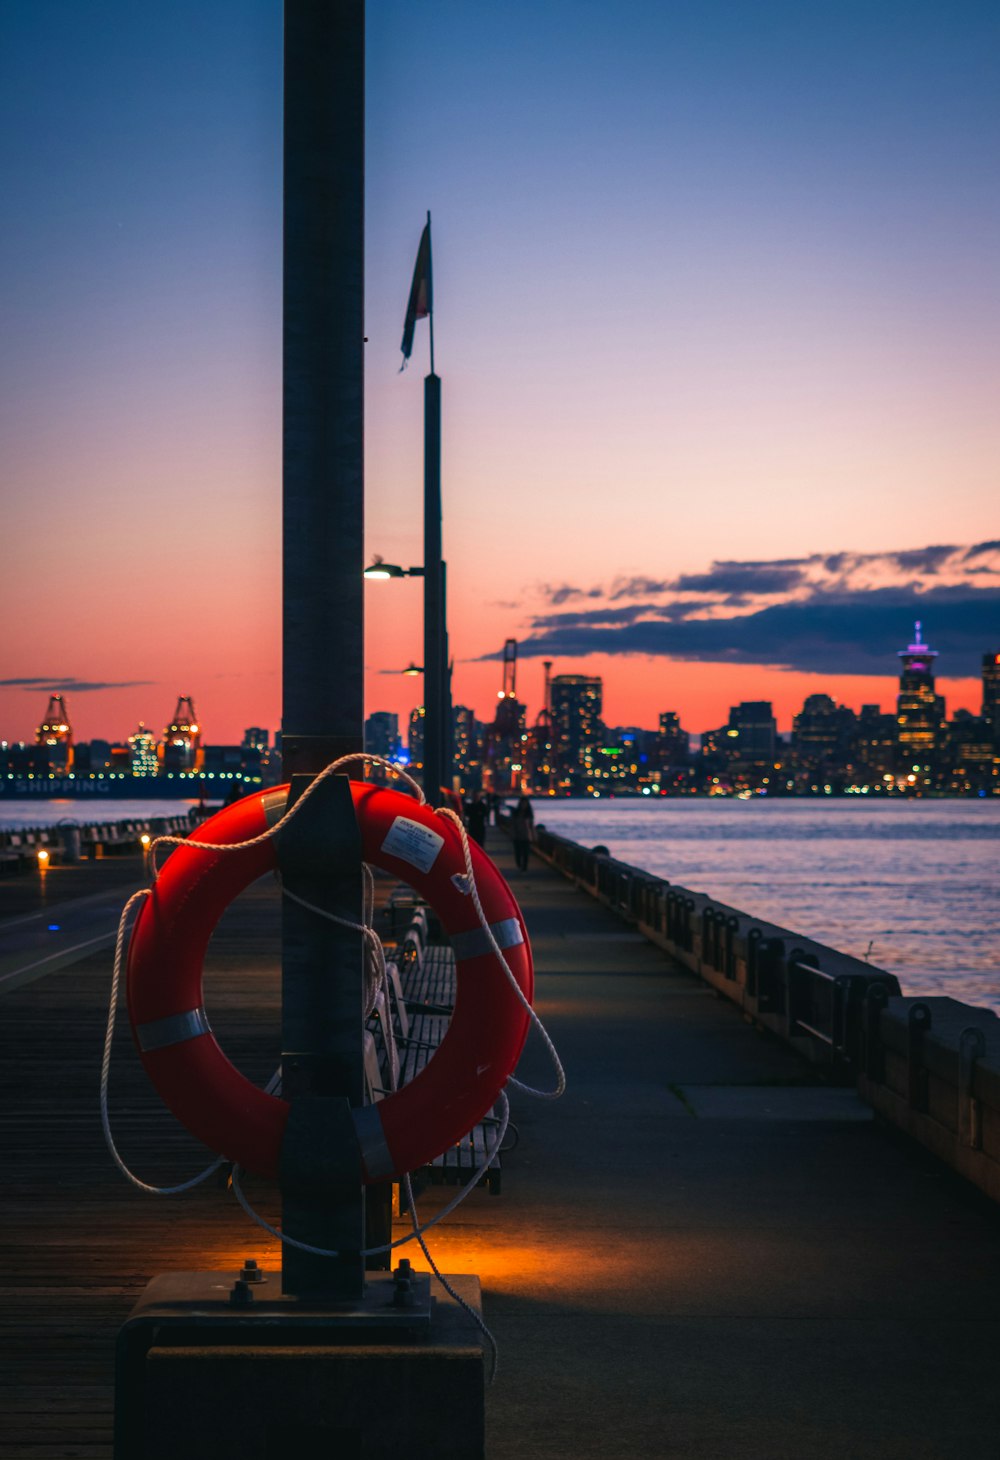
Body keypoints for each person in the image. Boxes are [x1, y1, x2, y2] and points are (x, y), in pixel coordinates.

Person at [511, 794, 534, 871]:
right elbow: (513, 824)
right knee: (518, 853)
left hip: (526, 836)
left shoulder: (529, 814)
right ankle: (519, 864)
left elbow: (531, 826)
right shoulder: (516, 813)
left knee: (526, 853)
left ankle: (524, 868)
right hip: (517, 836)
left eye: (525, 803)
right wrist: (513, 834)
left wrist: (533, 835)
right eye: (522, 803)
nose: (523, 805)